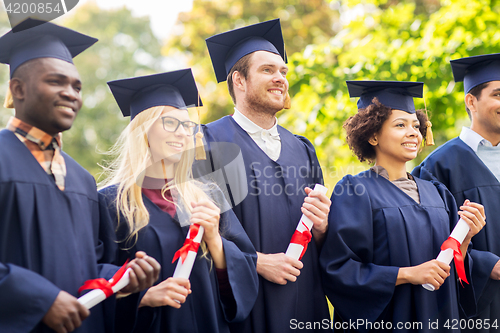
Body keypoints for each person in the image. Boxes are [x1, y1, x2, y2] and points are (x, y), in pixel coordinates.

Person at [0, 19, 161, 333]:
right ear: (17, 89)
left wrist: (121, 281)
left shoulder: (82, 181)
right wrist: (39, 299)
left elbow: (87, 269)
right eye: (56, 82)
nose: (71, 94)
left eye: (76, 86)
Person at [99, 69, 259, 333]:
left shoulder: (207, 195)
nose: (183, 133)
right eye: (170, 123)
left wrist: (215, 241)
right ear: (144, 131)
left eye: (187, 125)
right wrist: (143, 297)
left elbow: (245, 273)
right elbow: (91, 278)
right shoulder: (112, 203)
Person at [319, 81, 486, 332]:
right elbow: (339, 269)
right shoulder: (355, 191)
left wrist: (465, 237)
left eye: (416, 126)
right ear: (372, 134)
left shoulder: (437, 192)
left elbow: (456, 263)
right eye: (400, 125)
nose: (413, 133)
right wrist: (407, 274)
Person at [199, 19, 332, 332]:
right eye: (268, 70)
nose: (280, 79)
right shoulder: (206, 143)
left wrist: (324, 226)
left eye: (283, 71)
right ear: (240, 81)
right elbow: (198, 227)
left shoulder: (303, 149)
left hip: (306, 306)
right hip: (247, 307)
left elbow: (325, 238)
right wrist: (255, 261)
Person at [412, 54, 500, 331]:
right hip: (480, 305)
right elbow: (428, 239)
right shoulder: (438, 166)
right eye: (498, 94)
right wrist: (487, 265)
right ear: (471, 101)